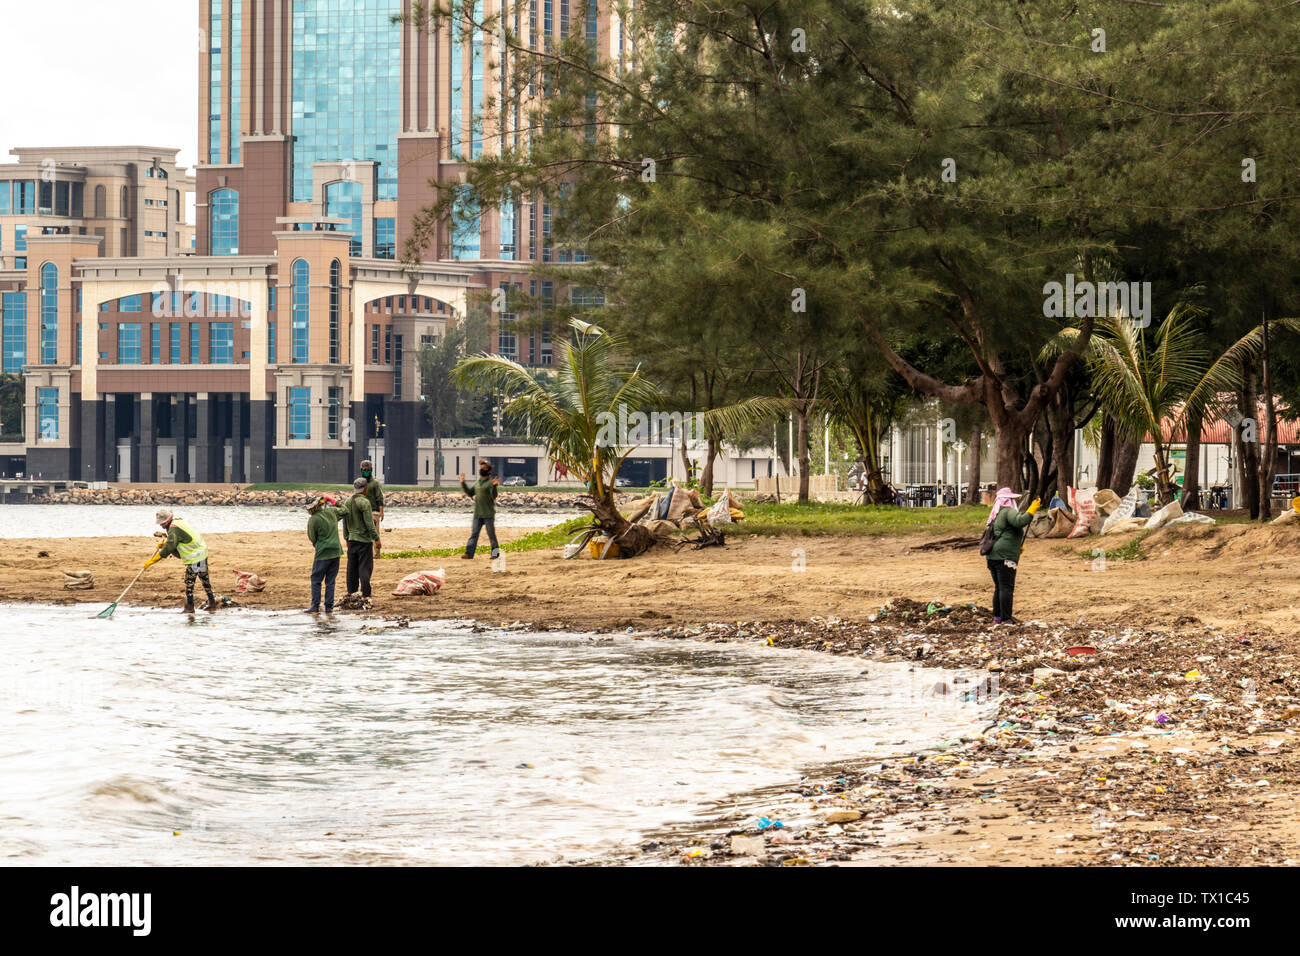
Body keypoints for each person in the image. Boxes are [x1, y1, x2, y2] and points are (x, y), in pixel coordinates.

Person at [145, 508, 218, 613]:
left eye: (162, 523)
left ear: (167, 520)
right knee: (204, 579)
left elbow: (170, 546)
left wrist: (156, 559)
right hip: (201, 553)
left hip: (195, 556)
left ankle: (190, 607)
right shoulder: (178, 522)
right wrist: (165, 542)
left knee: (189, 582)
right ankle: (212, 602)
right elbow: (176, 540)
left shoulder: (174, 528)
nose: (161, 525)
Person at [985, 487, 1040, 624]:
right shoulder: (1007, 511)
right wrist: (1032, 510)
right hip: (1005, 556)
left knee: (999, 587)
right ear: (1007, 500)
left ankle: (997, 617)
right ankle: (1006, 619)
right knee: (1006, 588)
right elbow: (1020, 521)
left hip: (992, 556)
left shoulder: (995, 515)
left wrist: (1016, 546)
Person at [340, 477, 378, 598]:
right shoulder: (365, 502)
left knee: (351, 567)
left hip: (351, 539)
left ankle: (351, 591)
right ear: (365, 489)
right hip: (364, 541)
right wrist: (376, 539)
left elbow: (344, 522)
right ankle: (366, 592)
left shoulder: (347, 502)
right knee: (365, 567)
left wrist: (346, 537)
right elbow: (369, 524)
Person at [305, 494, 344, 613]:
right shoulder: (332, 512)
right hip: (336, 551)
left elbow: (312, 537)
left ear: (313, 507)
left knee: (316, 579)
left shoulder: (313, 519)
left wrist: (318, 546)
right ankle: (329, 607)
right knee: (330, 581)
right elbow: (345, 510)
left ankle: (315, 605)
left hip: (323, 553)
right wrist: (334, 501)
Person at [459, 462, 501, 559]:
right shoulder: (477, 483)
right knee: (474, 534)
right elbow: (470, 493)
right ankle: (469, 554)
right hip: (477, 514)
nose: (482, 469)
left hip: (488, 514)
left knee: (491, 535)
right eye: (481, 467)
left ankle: (495, 554)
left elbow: (494, 496)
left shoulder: (490, 483)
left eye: (484, 468)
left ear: (489, 471)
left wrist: (495, 486)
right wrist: (463, 483)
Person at [360, 459, 385, 557]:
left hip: (374, 512)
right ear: (361, 470)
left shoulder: (375, 483)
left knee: (375, 533)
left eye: (368, 469)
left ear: (371, 470)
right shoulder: (360, 483)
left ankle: (376, 554)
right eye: (364, 469)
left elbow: (380, 498)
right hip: (362, 511)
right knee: (364, 534)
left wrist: (381, 512)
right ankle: (366, 553)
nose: (366, 471)